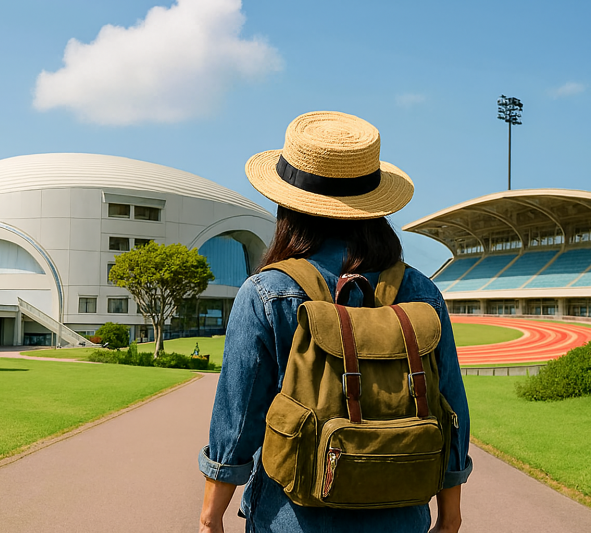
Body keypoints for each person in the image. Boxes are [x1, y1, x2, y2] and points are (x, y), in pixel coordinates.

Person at [198, 111, 472, 533]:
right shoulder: (421, 292)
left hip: (291, 515)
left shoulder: (266, 292)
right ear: (376, 205)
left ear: (288, 204)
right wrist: (450, 514)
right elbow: (450, 406)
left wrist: (210, 516)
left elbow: (238, 419)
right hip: (401, 514)